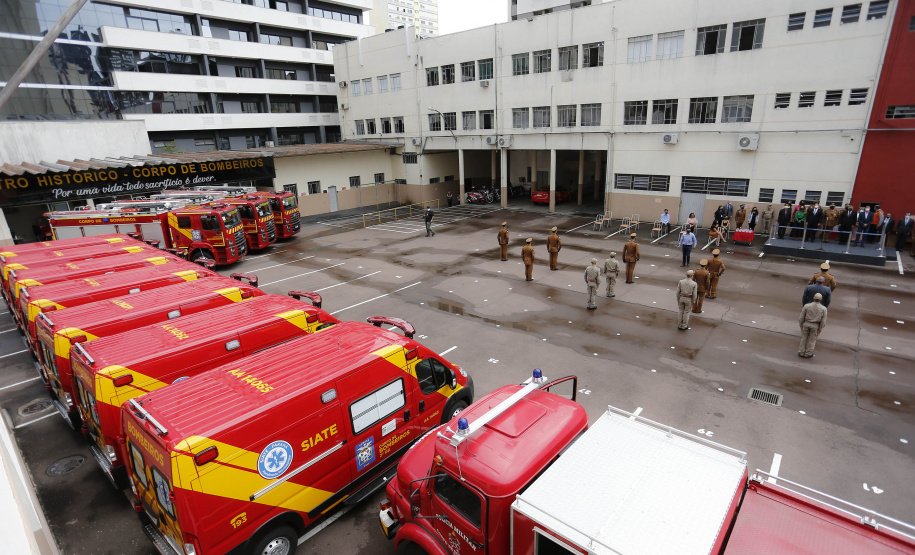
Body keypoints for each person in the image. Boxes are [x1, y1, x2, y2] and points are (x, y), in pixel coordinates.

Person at [798, 293, 828, 358]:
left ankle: (801, 352)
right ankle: (808, 353)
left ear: (813, 298)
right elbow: (823, 321)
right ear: (821, 299)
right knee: (812, 340)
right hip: (815, 325)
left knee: (804, 338)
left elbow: (802, 317)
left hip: (806, 323)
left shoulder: (807, 306)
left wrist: (801, 325)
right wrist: (820, 329)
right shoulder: (823, 309)